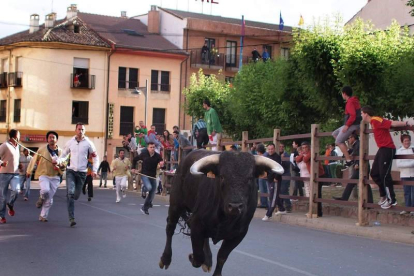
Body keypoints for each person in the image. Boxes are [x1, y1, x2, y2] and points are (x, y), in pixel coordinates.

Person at [361, 105, 411, 209]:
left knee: (384, 174)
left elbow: (392, 123)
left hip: (388, 149)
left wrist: (406, 123)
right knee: (374, 173)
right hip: (382, 149)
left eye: (361, 113)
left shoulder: (376, 119)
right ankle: (383, 195)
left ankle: (391, 200)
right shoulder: (372, 122)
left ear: (366, 114)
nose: (361, 116)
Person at [56, 123, 99, 227]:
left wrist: (94, 170)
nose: (81, 131)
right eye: (79, 129)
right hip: (71, 171)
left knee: (75, 196)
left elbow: (95, 157)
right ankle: (71, 218)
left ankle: (70, 196)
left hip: (82, 173)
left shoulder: (89, 143)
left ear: (85, 131)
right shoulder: (70, 142)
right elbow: (63, 155)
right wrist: (59, 161)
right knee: (70, 193)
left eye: (83, 129)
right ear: (75, 130)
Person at [27, 131, 65, 222]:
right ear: (47, 139)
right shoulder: (42, 149)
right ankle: (41, 197)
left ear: (57, 139)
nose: (52, 139)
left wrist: (60, 166)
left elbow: (64, 164)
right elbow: (34, 160)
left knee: (49, 199)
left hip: (55, 177)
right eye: (50, 137)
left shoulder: (61, 152)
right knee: (45, 190)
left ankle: (43, 216)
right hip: (43, 174)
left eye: (53, 137)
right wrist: (29, 171)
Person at [332, 133, 373, 203]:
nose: (348, 140)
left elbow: (359, 154)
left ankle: (344, 198)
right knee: (364, 183)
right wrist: (345, 154)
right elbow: (351, 151)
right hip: (361, 166)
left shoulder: (358, 144)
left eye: (349, 138)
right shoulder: (355, 144)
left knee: (355, 183)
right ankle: (370, 202)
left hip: (361, 167)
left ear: (353, 138)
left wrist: (357, 164)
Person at [332, 86, 362, 170]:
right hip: (353, 124)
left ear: (344, 93)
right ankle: (348, 150)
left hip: (352, 125)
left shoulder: (349, 102)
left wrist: (347, 125)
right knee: (334, 134)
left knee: (338, 141)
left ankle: (348, 160)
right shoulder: (354, 100)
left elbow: (352, 115)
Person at [132, 142, 164, 215]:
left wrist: (162, 165)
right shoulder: (144, 154)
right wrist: (133, 168)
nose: (152, 149)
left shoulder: (157, 156)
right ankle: (144, 189)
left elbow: (162, 166)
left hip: (153, 176)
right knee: (149, 187)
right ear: (147, 148)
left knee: (152, 195)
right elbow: (135, 159)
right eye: (151, 147)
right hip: (145, 175)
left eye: (153, 147)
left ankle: (144, 208)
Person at [0, 129, 21, 224]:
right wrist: (1, 163)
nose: (20, 137)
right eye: (19, 135)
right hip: (4, 174)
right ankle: (2, 216)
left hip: (15, 174)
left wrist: (19, 164)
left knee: (16, 190)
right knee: (3, 196)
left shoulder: (17, 147)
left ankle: (10, 204)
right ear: (14, 137)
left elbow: (14, 159)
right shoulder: (5, 146)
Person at [262, 143, 286, 221]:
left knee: (272, 197)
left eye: (272, 149)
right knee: (275, 195)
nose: (270, 150)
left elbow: (279, 168)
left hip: (275, 180)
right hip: (269, 179)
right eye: (269, 149)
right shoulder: (267, 157)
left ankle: (268, 214)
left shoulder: (277, 157)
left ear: (274, 149)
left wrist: (276, 177)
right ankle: (282, 209)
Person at [396, 134, 414, 215]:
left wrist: (407, 163)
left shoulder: (413, 149)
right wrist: (411, 163)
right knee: (406, 192)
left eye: (408, 140)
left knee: (413, 192)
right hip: (404, 174)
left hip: (413, 174)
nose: (407, 142)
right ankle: (407, 208)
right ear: (402, 142)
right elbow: (399, 164)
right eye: (405, 141)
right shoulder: (399, 151)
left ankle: (413, 209)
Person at [278, 143, 292, 212]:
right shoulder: (277, 154)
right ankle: (281, 207)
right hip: (279, 174)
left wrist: (282, 159)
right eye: (280, 146)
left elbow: (287, 165)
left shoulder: (286, 155)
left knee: (284, 190)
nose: (281, 148)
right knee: (279, 190)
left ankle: (288, 206)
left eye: (282, 146)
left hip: (285, 174)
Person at [256, 144, 268, 208]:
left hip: (263, 175)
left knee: (263, 189)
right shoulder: (266, 155)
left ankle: (264, 203)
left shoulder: (263, 156)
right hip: (263, 174)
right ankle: (265, 203)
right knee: (264, 189)